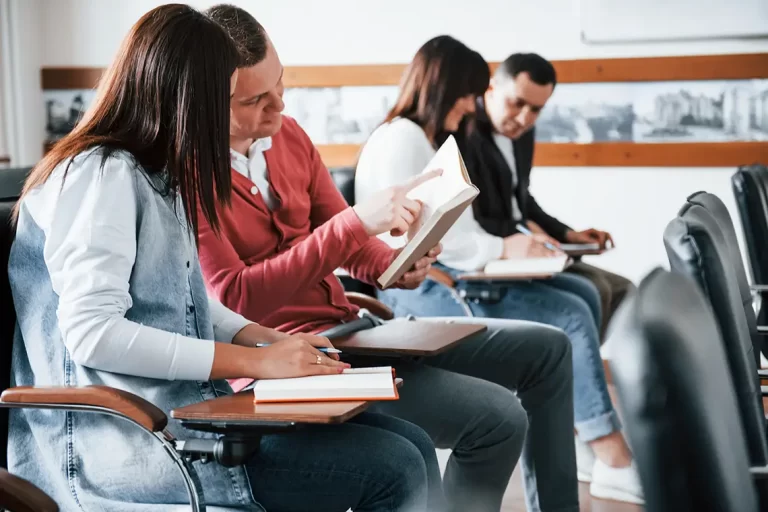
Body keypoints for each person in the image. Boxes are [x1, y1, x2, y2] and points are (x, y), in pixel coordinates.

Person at [7, 5, 443, 512]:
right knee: (395, 467)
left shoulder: (156, 174)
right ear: (184, 98)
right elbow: (93, 333)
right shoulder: (100, 175)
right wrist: (256, 361)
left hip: (181, 415)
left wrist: (270, 339)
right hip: (122, 442)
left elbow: (186, 297)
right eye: (231, 102)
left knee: (410, 444)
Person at [198, 6, 578, 512]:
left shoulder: (289, 137)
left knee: (549, 348)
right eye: (256, 100)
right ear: (205, 101)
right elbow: (237, 294)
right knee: (498, 418)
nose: (279, 107)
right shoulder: (190, 170)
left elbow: (350, 244)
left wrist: (396, 264)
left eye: (281, 85)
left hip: (350, 326)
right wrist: (353, 225)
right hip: (288, 357)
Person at [355, 37, 644, 505]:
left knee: (583, 300)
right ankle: (605, 449)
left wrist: (538, 244)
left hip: (454, 269)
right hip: (431, 287)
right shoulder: (407, 139)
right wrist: (504, 249)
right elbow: (428, 241)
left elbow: (470, 223)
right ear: (445, 88)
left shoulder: (422, 137)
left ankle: (585, 431)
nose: (473, 105)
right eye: (470, 93)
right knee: (569, 312)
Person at [463, 52, 635, 344]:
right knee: (597, 292)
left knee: (624, 289)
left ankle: (572, 363)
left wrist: (567, 233)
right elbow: (474, 219)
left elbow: (522, 201)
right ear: (491, 89)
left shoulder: (523, 134)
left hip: (528, 245)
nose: (525, 118)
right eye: (517, 103)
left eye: (536, 109)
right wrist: (527, 235)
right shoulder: (463, 133)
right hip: (493, 254)